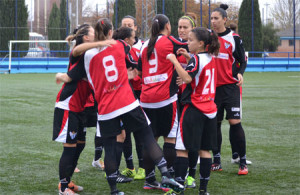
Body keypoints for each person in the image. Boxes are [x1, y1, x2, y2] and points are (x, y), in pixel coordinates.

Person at [58, 18, 184, 195]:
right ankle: (165, 174)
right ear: (110, 32)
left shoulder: (86, 56)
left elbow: (74, 68)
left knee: (109, 148)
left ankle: (114, 190)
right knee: (147, 136)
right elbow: (131, 58)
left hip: (106, 108)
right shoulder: (119, 45)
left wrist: (64, 77)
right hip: (127, 102)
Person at [53, 24, 115, 195]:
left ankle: (67, 181)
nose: (97, 36)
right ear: (86, 37)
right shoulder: (78, 53)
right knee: (70, 147)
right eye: (93, 34)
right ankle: (63, 187)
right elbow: (77, 48)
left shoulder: (90, 56)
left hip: (80, 108)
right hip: (68, 106)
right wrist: (99, 44)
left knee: (80, 145)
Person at [165, 27, 220, 195]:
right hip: (209, 109)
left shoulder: (196, 59)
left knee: (182, 149)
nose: (187, 42)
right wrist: (189, 59)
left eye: (190, 40)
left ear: (201, 43)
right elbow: (198, 72)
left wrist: (174, 60)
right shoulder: (211, 57)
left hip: (193, 108)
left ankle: (178, 190)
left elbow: (188, 78)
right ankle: (203, 191)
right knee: (204, 150)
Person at [137, 14, 188, 191]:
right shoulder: (169, 41)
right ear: (167, 26)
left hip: (145, 100)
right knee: (170, 138)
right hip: (165, 99)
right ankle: (169, 176)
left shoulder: (144, 46)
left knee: (151, 140)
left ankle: (149, 179)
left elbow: (139, 71)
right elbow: (190, 45)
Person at [210, 4, 249, 175]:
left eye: (216, 18)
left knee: (235, 122)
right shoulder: (208, 37)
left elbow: (242, 60)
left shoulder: (235, 38)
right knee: (215, 124)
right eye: (211, 18)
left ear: (224, 20)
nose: (213, 21)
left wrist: (240, 73)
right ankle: (216, 160)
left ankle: (242, 161)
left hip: (231, 88)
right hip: (212, 89)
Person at [119, 16, 146, 180]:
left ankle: (142, 167)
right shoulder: (117, 48)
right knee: (125, 133)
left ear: (135, 28)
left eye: (130, 25)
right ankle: (130, 167)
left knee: (140, 132)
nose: (128, 28)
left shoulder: (143, 47)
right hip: (124, 95)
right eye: (124, 26)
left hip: (140, 95)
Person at [177, 14, 199, 189]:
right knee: (177, 140)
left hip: (191, 100)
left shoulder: (197, 49)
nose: (182, 30)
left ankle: (191, 175)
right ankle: (177, 173)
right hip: (173, 98)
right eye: (180, 27)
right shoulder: (173, 46)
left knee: (190, 140)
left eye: (185, 27)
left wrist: (185, 78)